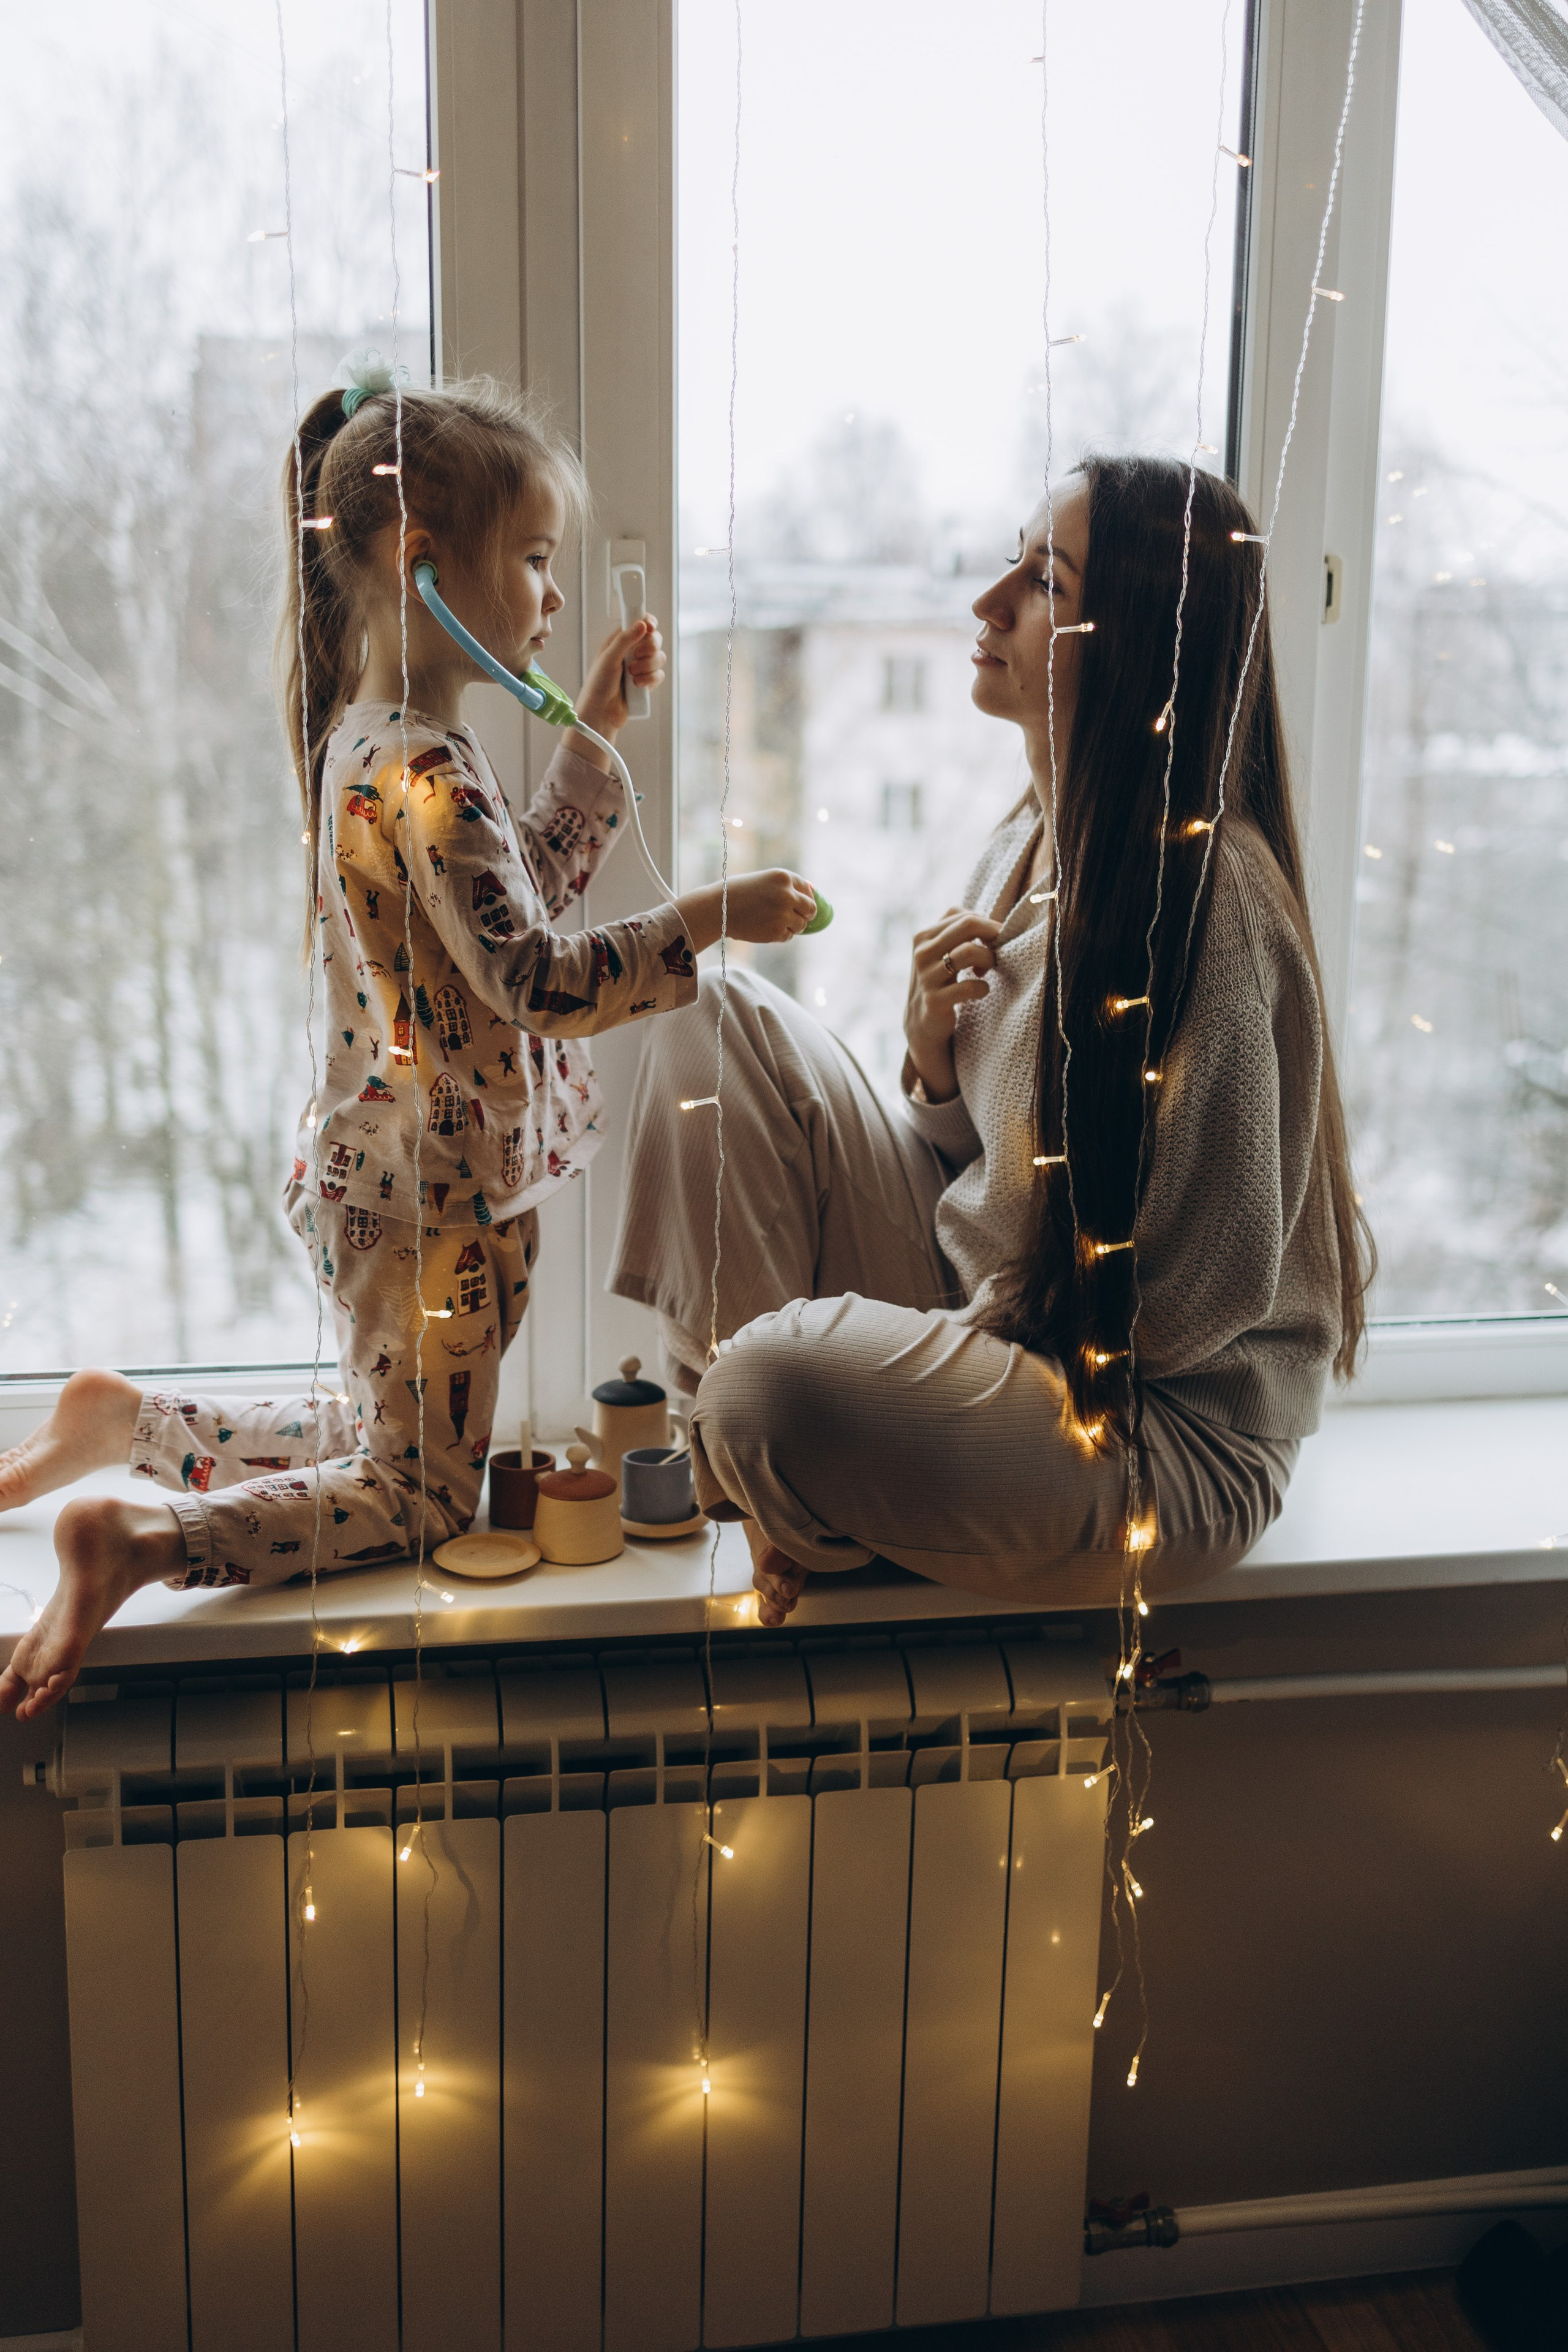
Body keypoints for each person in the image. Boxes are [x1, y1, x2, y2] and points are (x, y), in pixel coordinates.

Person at [0, 371, 818, 1720]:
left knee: (386, 1440)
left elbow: (504, 915)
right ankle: (140, 1540)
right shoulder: (428, 773)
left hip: (399, 1186)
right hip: (430, 1207)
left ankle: (126, 1425)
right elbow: (537, 980)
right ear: (424, 565)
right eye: (535, 559)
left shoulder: (377, 744)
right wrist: (709, 921)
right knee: (425, 1496)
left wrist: (594, 733)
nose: (552, 594)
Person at [609, 453, 1374, 1626]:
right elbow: (996, 1162)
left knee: (769, 1383)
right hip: (1006, 1309)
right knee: (707, 1012)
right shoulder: (1032, 837)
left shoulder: (1211, 904)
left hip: (1144, 1421)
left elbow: (1197, 1297)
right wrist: (928, 1056)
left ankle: (777, 1464)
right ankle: (774, 1481)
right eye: (1013, 564)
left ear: (1135, 646)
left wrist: (948, 1344)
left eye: (1045, 583)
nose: (988, 601)